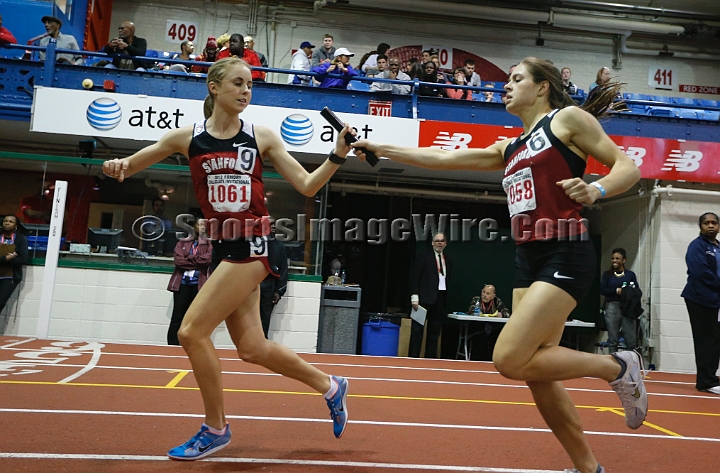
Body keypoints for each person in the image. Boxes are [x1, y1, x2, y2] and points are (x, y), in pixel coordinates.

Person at [353, 56, 645, 473]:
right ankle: (588, 468)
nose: (505, 86)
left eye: (516, 79)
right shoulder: (510, 147)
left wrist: (595, 188)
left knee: (508, 358)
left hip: (565, 248)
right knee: (537, 373)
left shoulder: (568, 120)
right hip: (528, 256)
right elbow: (442, 159)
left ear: (543, 87)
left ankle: (617, 365)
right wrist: (381, 148)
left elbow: (628, 167)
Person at [102, 57, 351, 460]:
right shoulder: (189, 138)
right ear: (214, 87)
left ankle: (215, 428)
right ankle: (331, 385)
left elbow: (307, 186)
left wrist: (336, 156)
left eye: (250, 85)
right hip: (224, 250)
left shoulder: (261, 136)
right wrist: (118, 165)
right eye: (238, 83)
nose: (245, 91)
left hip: (254, 245)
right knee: (252, 347)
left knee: (190, 332)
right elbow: (131, 164)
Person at [681, 212, 720, 395]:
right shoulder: (696, 246)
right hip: (700, 298)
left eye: (714, 223)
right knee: (706, 340)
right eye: (706, 223)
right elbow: (701, 272)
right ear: (701, 226)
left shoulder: (718, 247)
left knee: (714, 339)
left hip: (715, 300)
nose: (710, 226)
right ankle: (706, 381)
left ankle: (710, 377)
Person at [166, 218, 213, 345]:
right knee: (178, 317)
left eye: (204, 225)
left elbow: (208, 259)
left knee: (196, 318)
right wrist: (197, 262)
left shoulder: (210, 244)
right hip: (182, 284)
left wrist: (189, 258)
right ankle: (173, 344)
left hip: (199, 285)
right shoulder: (182, 242)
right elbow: (178, 261)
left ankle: (192, 343)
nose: (202, 227)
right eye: (199, 224)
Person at [409, 232, 451, 359]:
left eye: (442, 241)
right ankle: (412, 358)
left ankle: (430, 360)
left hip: (439, 298)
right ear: (432, 243)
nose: (439, 243)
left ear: (445, 243)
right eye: (437, 241)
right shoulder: (424, 256)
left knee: (434, 332)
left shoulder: (447, 259)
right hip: (423, 299)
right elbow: (415, 277)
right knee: (417, 331)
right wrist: (414, 296)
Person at [600, 248, 640, 353]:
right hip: (612, 306)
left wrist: (626, 291)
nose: (614, 261)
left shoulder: (630, 275)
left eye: (617, 258)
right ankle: (614, 365)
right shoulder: (607, 275)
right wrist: (617, 291)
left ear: (624, 260)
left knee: (630, 340)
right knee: (613, 339)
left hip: (627, 307)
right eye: (613, 258)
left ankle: (630, 364)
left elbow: (636, 290)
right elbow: (603, 290)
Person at [259, 220, 288, 338]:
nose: (273, 226)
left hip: (268, 288)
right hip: (252, 288)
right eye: (270, 224)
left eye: (274, 224)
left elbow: (283, 270)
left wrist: (279, 291)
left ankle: (262, 345)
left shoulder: (279, 246)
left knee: (264, 320)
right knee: (249, 321)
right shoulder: (253, 244)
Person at [0, 216, 28, 315]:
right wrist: (6, 258)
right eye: (5, 221)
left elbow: (23, 259)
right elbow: (14, 257)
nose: (7, 223)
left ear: (16, 226)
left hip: (9, 277)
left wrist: (6, 261)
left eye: (11, 222)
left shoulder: (21, 239)